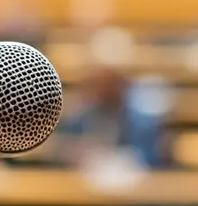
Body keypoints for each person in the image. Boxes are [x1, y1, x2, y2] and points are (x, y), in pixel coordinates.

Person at [55, 29, 166, 168]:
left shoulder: (143, 123)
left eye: (110, 81)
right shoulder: (76, 119)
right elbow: (58, 155)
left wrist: (126, 160)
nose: (103, 87)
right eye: (99, 80)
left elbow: (151, 160)